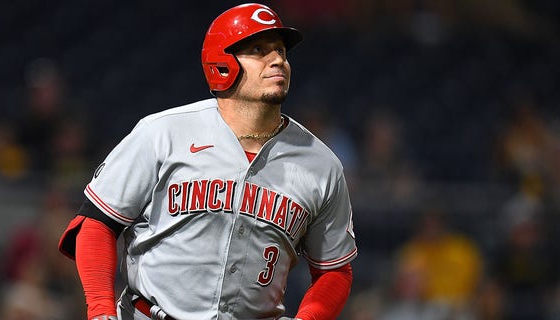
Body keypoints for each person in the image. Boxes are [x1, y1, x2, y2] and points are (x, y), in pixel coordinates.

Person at [58, 3, 358, 320]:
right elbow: (97, 224)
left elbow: (335, 270)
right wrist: (101, 310)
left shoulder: (321, 164)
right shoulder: (163, 133)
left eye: (281, 51)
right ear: (222, 63)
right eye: (259, 49)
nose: (278, 61)